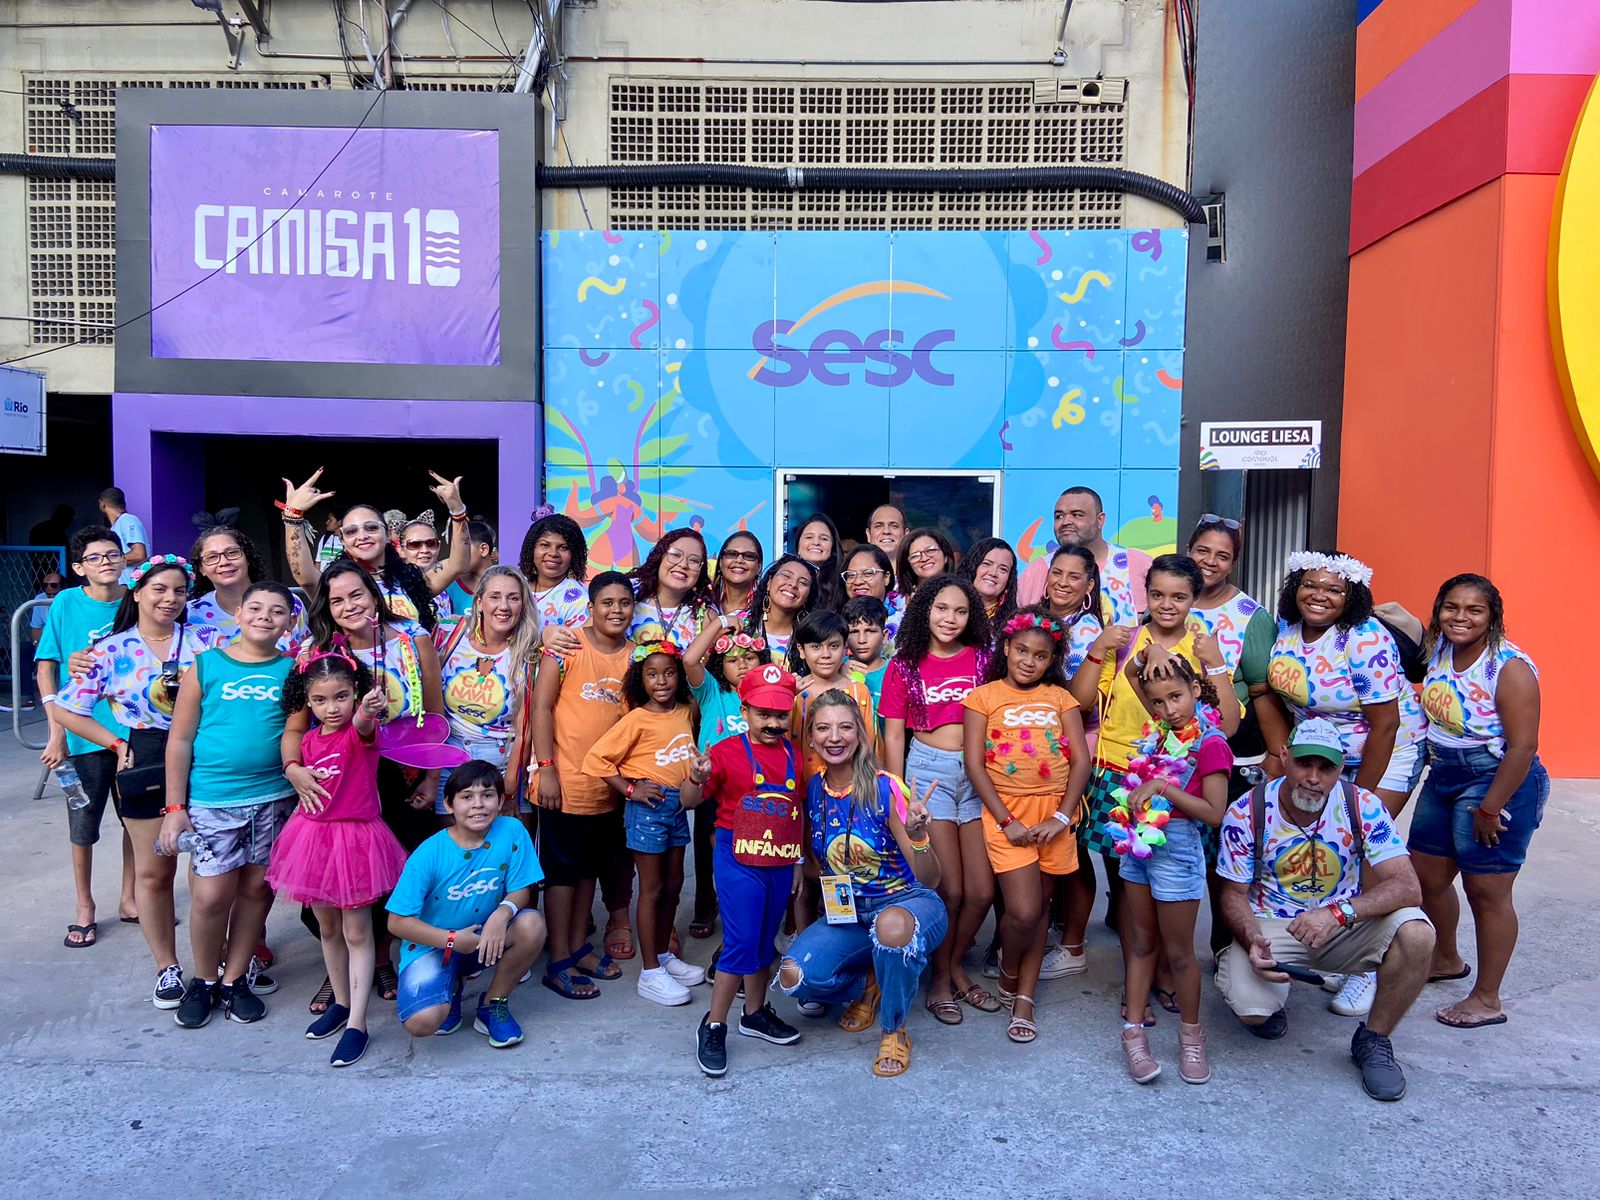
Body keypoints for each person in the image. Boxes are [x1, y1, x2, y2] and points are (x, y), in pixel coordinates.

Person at [1215, 718, 1436, 1102]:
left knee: (1417, 934)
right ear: (1285, 757)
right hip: (1273, 924)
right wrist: (1251, 939)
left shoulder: (1362, 805)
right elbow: (1232, 894)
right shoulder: (1247, 810)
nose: (1313, 778)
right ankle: (1272, 990)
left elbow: (1407, 886)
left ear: (1340, 768)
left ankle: (1374, 1039)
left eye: (1326, 767)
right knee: (1252, 1009)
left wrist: (1338, 914)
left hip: (1342, 924)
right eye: (1304, 763)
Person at [1262, 550, 1427, 1021]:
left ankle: (1366, 969)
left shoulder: (1364, 638)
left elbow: (1385, 725)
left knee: (1364, 852)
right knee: (1325, 852)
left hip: (1384, 753)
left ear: (1351, 597)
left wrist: (1357, 802)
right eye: (1310, 585)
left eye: (1334, 589)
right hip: (1320, 755)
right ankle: (1336, 948)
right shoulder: (1286, 628)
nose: (1320, 596)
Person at [54, 556, 219, 1007]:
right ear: (138, 591)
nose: (170, 599)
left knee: (213, 869)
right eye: (159, 589)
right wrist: (115, 743)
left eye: (179, 591)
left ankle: (219, 959)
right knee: (154, 871)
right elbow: (66, 708)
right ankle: (167, 967)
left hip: (208, 755)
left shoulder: (207, 639)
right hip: (144, 757)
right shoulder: (110, 649)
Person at [1080, 554, 1239, 1023]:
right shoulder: (1128, 638)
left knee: (1171, 886)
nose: (1167, 604)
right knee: (1129, 884)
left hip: (1184, 783)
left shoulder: (1204, 645)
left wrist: (1215, 665)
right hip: (1123, 768)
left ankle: (1168, 974)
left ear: (1195, 599)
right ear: (1144, 594)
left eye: (1179, 596)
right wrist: (1144, 654)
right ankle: (1139, 979)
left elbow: (1227, 724)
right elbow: (1111, 686)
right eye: (1157, 594)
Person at [285, 560, 448, 1009]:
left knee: (395, 876)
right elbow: (295, 728)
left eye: (356, 594)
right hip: (337, 780)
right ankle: (338, 974)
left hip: (402, 774)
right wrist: (294, 769)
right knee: (332, 884)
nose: (349, 606)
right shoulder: (316, 651)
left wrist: (432, 778)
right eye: (337, 599)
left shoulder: (412, 639)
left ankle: (380, 958)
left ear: (374, 594)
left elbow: (435, 716)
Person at [777, 691, 946, 1077]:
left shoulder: (887, 787)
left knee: (891, 927)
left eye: (845, 727)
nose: (834, 737)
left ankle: (894, 1029)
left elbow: (931, 879)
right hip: (851, 913)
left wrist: (918, 836)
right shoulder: (814, 789)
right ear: (810, 738)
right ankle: (871, 982)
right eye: (823, 728)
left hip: (907, 904)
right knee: (793, 977)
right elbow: (819, 865)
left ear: (861, 734)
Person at [1410, 574, 1547, 1030]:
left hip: (1497, 780)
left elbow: (1523, 748)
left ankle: (1487, 997)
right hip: (1443, 774)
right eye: (1451, 607)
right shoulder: (1439, 649)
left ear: (1493, 616)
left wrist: (1491, 808)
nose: (1460, 617)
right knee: (1426, 878)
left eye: (1474, 610)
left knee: (1486, 892)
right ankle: (1445, 959)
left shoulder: (1509, 667)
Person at [160, 582, 298, 1030]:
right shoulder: (205, 666)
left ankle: (234, 979)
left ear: (289, 623)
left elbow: (295, 734)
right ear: (237, 614)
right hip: (212, 800)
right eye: (255, 608)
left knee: (257, 890)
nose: (264, 617)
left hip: (273, 800)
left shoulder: (292, 671)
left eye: (277, 611)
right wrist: (174, 807)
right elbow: (180, 739)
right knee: (211, 895)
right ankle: (203, 979)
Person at [267, 650, 410, 1064]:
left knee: (357, 932)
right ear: (308, 701)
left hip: (355, 842)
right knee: (328, 927)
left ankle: (357, 1023)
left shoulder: (361, 733)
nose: (332, 708)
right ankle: (342, 1003)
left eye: (341, 697)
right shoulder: (308, 741)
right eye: (320, 700)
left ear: (356, 695)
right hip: (312, 841)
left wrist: (367, 709)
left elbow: (363, 724)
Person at [962, 611, 1090, 1045]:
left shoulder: (1061, 698)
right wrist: (1007, 820)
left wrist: (1061, 817)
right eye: (1021, 650)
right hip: (1008, 816)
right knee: (1023, 911)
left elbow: (1081, 762)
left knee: (1041, 910)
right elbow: (974, 765)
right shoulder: (983, 698)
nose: (1029, 661)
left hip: (1054, 817)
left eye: (1040, 655)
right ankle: (1009, 967)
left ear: (1052, 659)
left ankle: (1024, 999)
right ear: (1006, 648)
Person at [1108, 656, 1232, 1085]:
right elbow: (1132, 674)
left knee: (1178, 953)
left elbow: (1213, 813)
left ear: (1195, 690)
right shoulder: (1161, 730)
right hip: (1139, 843)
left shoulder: (1210, 742)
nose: (1168, 708)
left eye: (1176, 696)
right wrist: (1149, 656)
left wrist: (1163, 786)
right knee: (1142, 943)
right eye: (1158, 702)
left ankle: (1191, 1037)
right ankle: (1133, 1034)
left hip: (1177, 848)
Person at [880, 573, 997, 1023]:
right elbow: (894, 736)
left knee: (982, 892)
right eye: (941, 608)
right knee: (950, 889)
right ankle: (944, 982)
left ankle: (949, 965)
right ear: (924, 611)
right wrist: (899, 796)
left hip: (979, 773)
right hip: (930, 774)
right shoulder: (904, 665)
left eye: (961, 611)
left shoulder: (984, 658)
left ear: (972, 616)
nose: (950, 618)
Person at [680, 664, 806, 1077]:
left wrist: (798, 862)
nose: (772, 723)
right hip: (737, 858)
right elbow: (689, 801)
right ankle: (713, 1024)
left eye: (780, 715)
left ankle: (754, 1013)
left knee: (765, 939)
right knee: (741, 941)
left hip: (780, 859)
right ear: (744, 711)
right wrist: (695, 777)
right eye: (763, 714)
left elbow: (797, 811)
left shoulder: (794, 755)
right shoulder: (724, 752)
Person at [388, 761, 549, 1048]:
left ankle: (492, 1004)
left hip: (483, 936)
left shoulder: (512, 830)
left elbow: (521, 888)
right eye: (466, 796)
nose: (478, 805)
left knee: (531, 924)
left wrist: (501, 915)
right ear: (448, 804)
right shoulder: (428, 854)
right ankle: (451, 989)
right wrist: (451, 940)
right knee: (421, 1022)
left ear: (500, 800)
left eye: (487, 795)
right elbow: (397, 922)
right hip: (435, 944)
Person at [582, 638, 706, 1006]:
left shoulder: (686, 709)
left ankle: (664, 956)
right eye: (652, 675)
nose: (661, 681)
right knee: (651, 887)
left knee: (674, 883)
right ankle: (650, 972)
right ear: (641, 679)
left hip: (678, 804)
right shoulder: (636, 718)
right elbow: (596, 759)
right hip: (648, 808)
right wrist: (630, 789)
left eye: (669, 673)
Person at [531, 572, 635, 999]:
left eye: (624, 602)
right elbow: (541, 707)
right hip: (564, 782)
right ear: (591, 608)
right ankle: (558, 960)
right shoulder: (566, 647)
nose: (616, 610)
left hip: (607, 787)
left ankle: (577, 947)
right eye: (607, 602)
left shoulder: (635, 656)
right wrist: (547, 768)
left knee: (589, 870)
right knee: (562, 875)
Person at [39, 529, 135, 947]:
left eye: (112, 555)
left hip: (133, 732)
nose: (106, 563)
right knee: (83, 823)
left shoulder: (137, 598)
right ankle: (84, 906)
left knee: (137, 822)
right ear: (79, 567)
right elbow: (47, 667)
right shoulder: (65, 603)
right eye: (94, 558)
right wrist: (55, 732)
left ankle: (131, 898)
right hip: (82, 734)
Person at [279, 469, 472, 629]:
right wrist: (293, 517)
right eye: (351, 531)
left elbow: (458, 564)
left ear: (387, 534)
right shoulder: (334, 585)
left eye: (371, 528)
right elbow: (304, 576)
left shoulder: (413, 581)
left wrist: (458, 511)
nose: (362, 536)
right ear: (343, 540)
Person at [681, 611, 773, 939]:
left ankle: (746, 908)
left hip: (753, 789)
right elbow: (689, 659)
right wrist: (722, 622)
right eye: (733, 660)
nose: (743, 665)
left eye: (750, 657)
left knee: (750, 852)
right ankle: (706, 904)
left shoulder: (767, 698)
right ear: (721, 666)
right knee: (709, 849)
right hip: (713, 786)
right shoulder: (712, 692)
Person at [432, 566, 539, 826]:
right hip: (449, 759)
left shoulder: (530, 654)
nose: (504, 606)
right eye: (495, 597)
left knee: (505, 847)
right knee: (454, 847)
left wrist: (509, 789)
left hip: (502, 763)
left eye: (513, 598)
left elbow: (525, 730)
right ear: (479, 602)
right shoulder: (448, 635)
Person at [1017, 486, 1151, 625]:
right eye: (1059, 516)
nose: (1065, 522)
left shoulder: (1137, 563)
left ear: (1100, 520)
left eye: (1077, 515)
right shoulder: (1037, 569)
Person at [186, 526, 310, 655]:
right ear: (201, 569)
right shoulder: (189, 612)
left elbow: (306, 655)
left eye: (232, 553)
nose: (224, 562)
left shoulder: (289, 602)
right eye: (212, 557)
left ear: (248, 558)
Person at [790, 609, 877, 785]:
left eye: (834, 646)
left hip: (851, 787)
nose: (826, 654)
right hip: (800, 786)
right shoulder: (794, 693)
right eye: (816, 647)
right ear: (801, 650)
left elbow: (870, 745)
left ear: (845, 649)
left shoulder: (858, 692)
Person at [630, 527, 718, 652]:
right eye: (676, 555)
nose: (683, 565)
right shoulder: (629, 592)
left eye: (694, 560)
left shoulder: (705, 616)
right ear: (660, 556)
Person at [518, 510, 592, 649]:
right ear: (532, 549)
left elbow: (572, 650)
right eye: (545, 545)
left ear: (574, 555)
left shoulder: (578, 599)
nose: (553, 553)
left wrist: (544, 637)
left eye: (563, 547)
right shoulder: (516, 585)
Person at [746, 554, 819, 670]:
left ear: (808, 597)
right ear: (769, 583)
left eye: (803, 583)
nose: (793, 584)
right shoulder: (739, 625)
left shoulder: (813, 635)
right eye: (786, 576)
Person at [842, 544, 903, 647]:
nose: (858, 582)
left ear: (886, 577)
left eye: (868, 573)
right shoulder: (836, 623)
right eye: (851, 575)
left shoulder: (905, 621)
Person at [21, 570, 65, 707]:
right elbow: (36, 629)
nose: (49, 589)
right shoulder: (40, 599)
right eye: (45, 585)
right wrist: (38, 645)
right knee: (24, 649)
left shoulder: (69, 598)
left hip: (67, 642)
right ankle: (27, 698)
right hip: (46, 643)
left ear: (63, 586)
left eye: (54, 585)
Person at [842, 596, 891, 713]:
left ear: (884, 636)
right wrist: (837, 676)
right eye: (854, 632)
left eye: (869, 631)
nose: (862, 640)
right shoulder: (835, 667)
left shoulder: (895, 672)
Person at [960, 537, 1019, 629]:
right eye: (987, 564)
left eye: (1003, 569)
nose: (993, 573)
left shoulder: (1016, 622)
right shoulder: (951, 608)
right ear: (972, 566)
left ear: (1010, 578)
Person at [441, 520, 498, 617]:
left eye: (463, 549)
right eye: (455, 550)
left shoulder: (506, 584)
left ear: (483, 549)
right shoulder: (448, 587)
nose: (457, 555)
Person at [794, 513, 845, 613]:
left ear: (832, 547)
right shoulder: (787, 580)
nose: (816, 542)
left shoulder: (843, 583)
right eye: (809, 537)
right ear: (798, 547)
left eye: (824, 538)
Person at [98, 487, 149, 584]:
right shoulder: (114, 527)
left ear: (102, 504)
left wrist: (107, 560)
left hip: (133, 586)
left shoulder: (127, 520)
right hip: (121, 586)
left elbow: (139, 554)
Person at [711, 531, 763, 624]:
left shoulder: (766, 610)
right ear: (720, 562)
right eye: (732, 554)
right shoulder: (703, 604)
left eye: (749, 556)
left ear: (759, 566)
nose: (739, 560)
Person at [897, 528, 958, 597]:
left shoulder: (963, 592)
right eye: (915, 555)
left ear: (945, 555)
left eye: (930, 550)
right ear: (908, 564)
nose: (924, 558)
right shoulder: (898, 600)